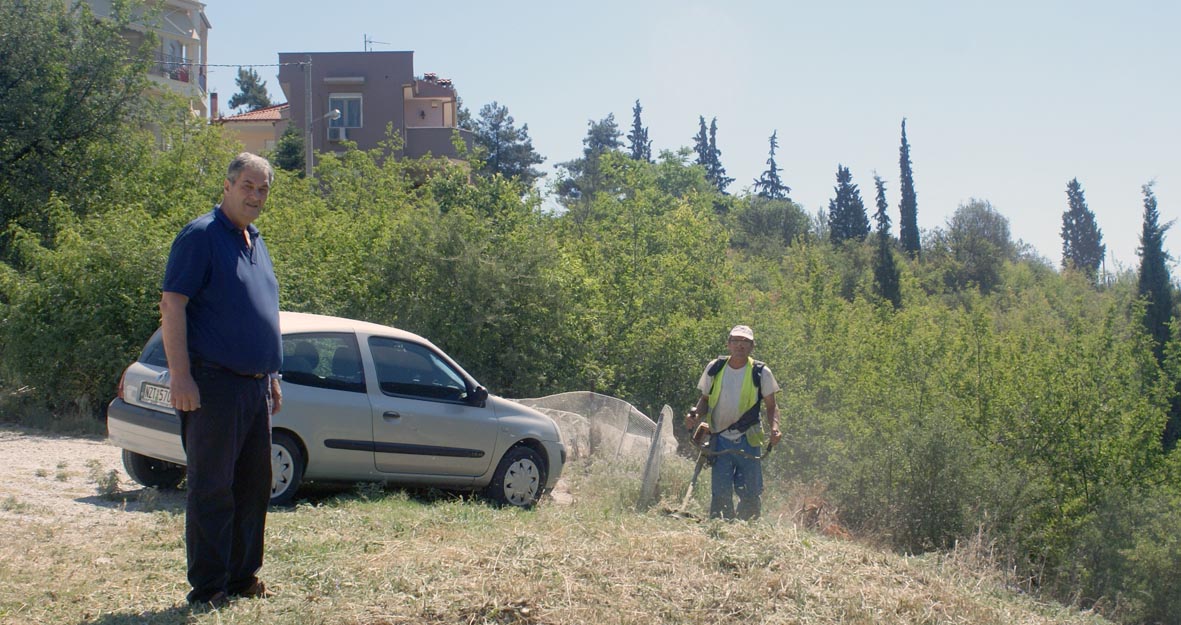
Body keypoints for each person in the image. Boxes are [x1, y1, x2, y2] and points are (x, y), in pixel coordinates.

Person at [160, 152, 283, 607]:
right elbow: (172, 305)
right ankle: (209, 587)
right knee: (212, 488)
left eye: (263, 189)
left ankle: (242, 578)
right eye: (247, 186)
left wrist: (270, 375)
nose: (255, 196)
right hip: (212, 385)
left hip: (254, 386)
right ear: (227, 187)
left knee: (252, 486)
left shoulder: (255, 240)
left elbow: (257, 312)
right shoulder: (201, 236)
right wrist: (181, 376)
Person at [685, 325, 782, 520]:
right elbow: (705, 400)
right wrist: (695, 416)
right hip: (719, 439)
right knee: (721, 491)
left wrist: (775, 428)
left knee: (750, 491)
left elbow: (771, 406)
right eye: (736, 341)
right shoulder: (715, 367)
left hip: (748, 439)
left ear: (752, 346)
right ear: (728, 344)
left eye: (745, 342)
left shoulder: (761, 372)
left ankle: (746, 528)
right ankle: (720, 527)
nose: (740, 345)